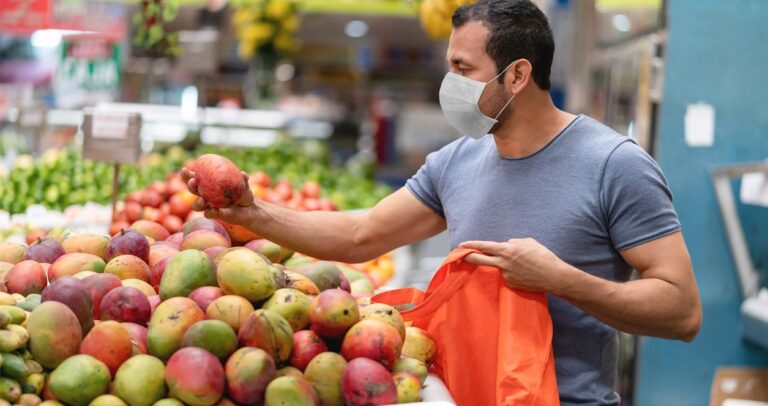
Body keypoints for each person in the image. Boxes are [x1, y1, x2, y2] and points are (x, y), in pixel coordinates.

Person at [182, 0, 702, 404]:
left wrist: (560, 279)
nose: (449, 84)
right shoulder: (458, 160)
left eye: (462, 67)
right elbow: (361, 235)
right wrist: (251, 214)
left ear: (517, 75)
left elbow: (682, 312)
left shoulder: (615, 164)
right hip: (462, 395)